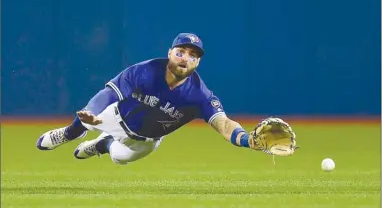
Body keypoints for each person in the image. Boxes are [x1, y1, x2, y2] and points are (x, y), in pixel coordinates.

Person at [36, 32, 263, 165]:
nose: (186, 58)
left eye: (193, 55)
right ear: (169, 53)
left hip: (146, 142)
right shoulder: (144, 71)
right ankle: (70, 133)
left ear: (198, 63)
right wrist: (93, 113)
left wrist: (247, 139)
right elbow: (108, 94)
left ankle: (103, 144)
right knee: (87, 118)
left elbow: (223, 123)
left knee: (119, 158)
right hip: (116, 117)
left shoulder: (199, 95)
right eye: (181, 52)